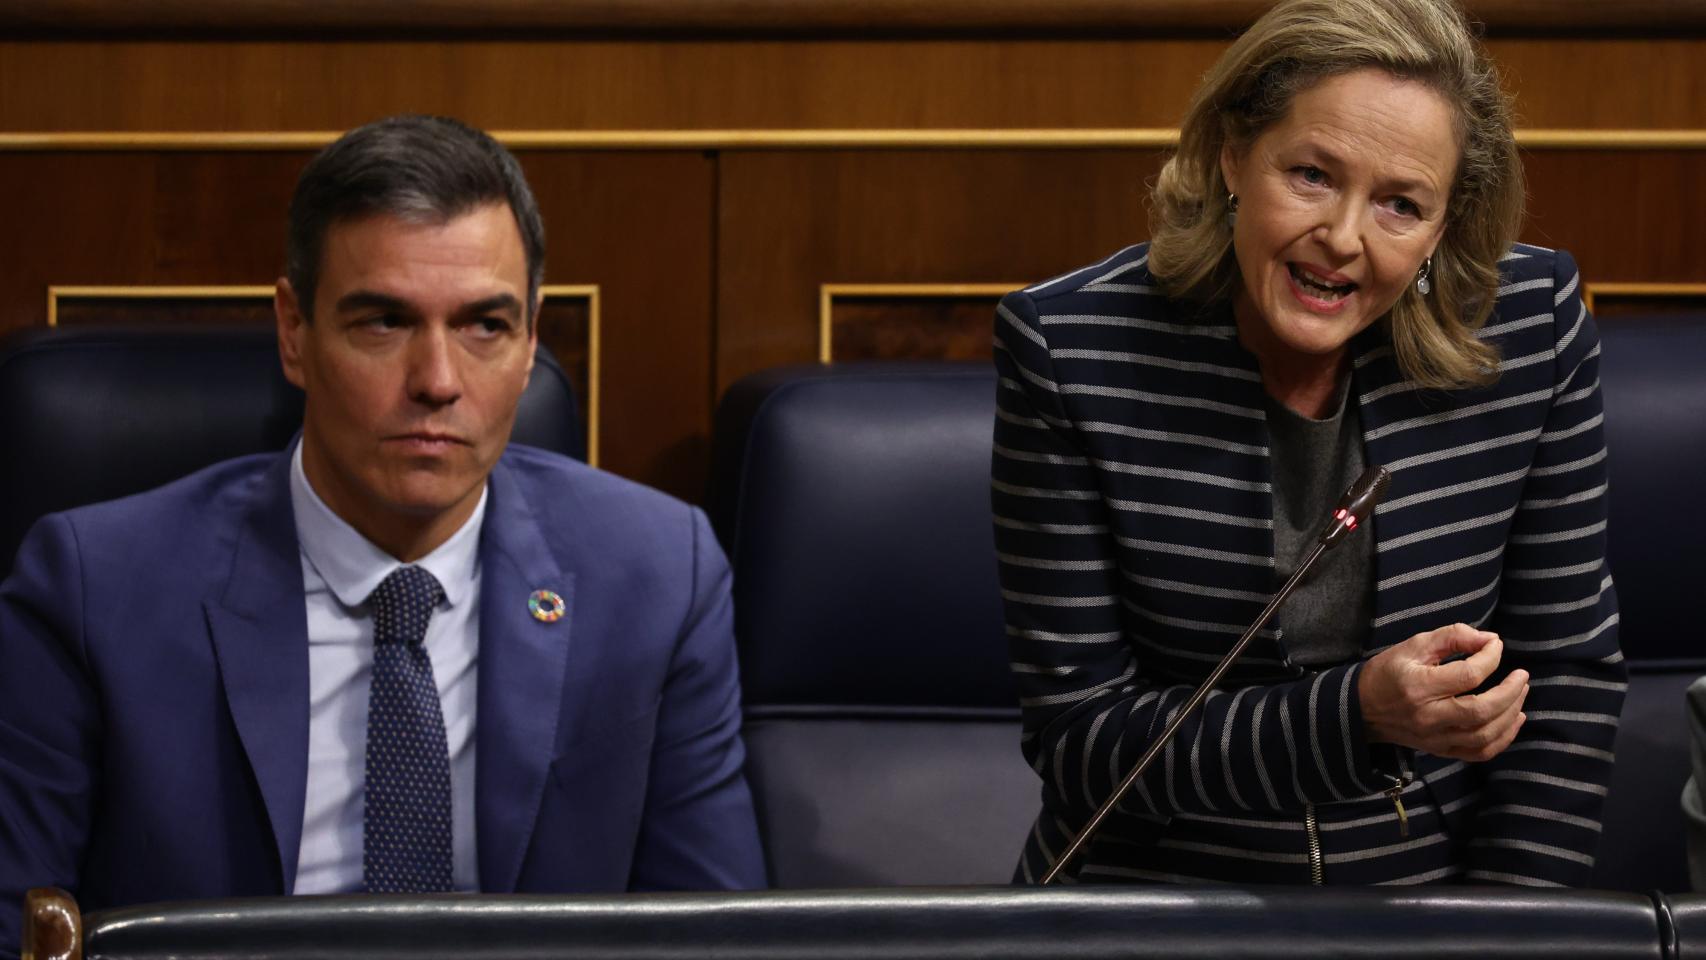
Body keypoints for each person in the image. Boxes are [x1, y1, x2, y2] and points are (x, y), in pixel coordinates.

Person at [0, 114, 764, 954]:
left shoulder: (658, 576)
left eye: (484, 326)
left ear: (531, 338)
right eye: (383, 322)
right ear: (294, 332)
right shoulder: (93, 588)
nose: (437, 381)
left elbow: (714, 939)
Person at [994, 0, 1623, 886]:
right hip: (1154, 897)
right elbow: (1080, 737)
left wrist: (1509, 929)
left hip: (1431, 902)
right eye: (1314, 175)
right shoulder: (1070, 347)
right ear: (1233, 155)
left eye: (1402, 204)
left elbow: (1565, 677)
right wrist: (1352, 716)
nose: (1343, 238)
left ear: (1445, 225)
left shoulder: (1531, 325)